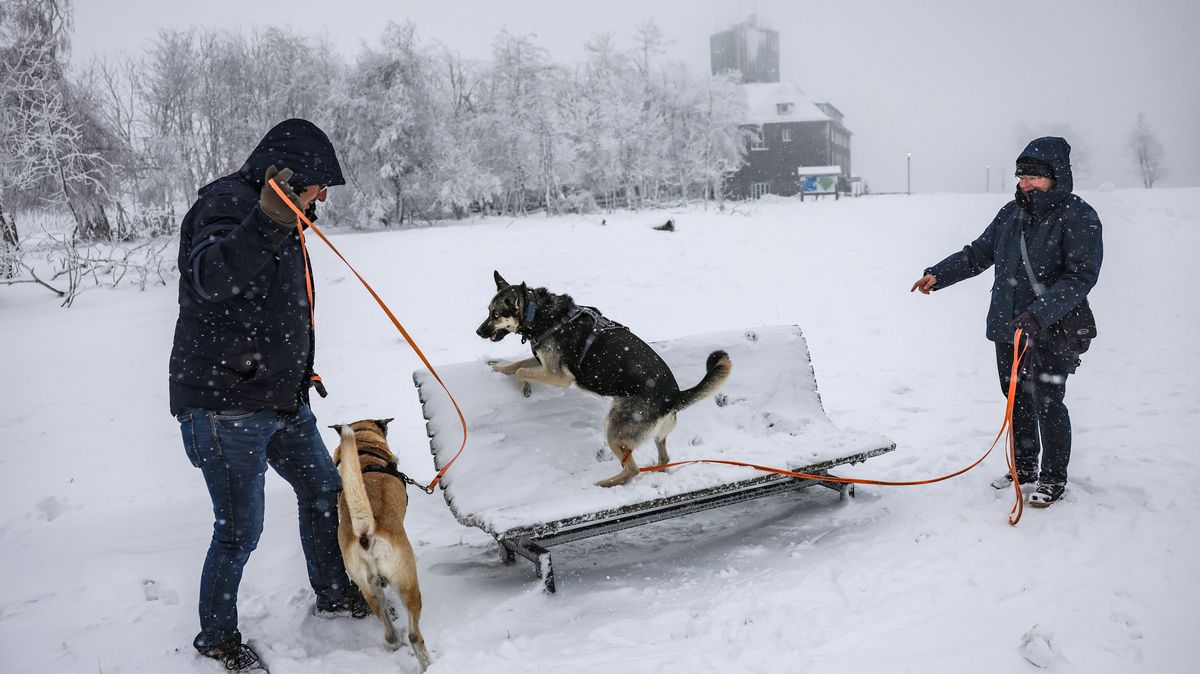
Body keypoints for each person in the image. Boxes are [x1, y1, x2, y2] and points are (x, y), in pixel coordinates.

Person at [169, 119, 368, 671]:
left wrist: (295, 371)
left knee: (323, 490)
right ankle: (217, 640)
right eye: (319, 185)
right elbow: (211, 277)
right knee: (239, 530)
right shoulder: (226, 206)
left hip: (280, 399)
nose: (323, 197)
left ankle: (334, 594)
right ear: (292, 177)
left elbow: (273, 308)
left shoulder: (283, 216)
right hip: (225, 407)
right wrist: (267, 220)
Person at [910, 136, 1102, 508]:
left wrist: (1039, 314)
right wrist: (940, 274)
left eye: (1034, 176)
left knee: (1048, 400)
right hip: (1008, 327)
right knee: (1017, 400)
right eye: (1022, 176)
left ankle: (1053, 477)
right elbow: (978, 254)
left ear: (1056, 176)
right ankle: (1024, 468)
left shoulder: (1078, 215)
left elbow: (1080, 277)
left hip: (1052, 328)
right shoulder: (1010, 214)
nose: (1025, 183)